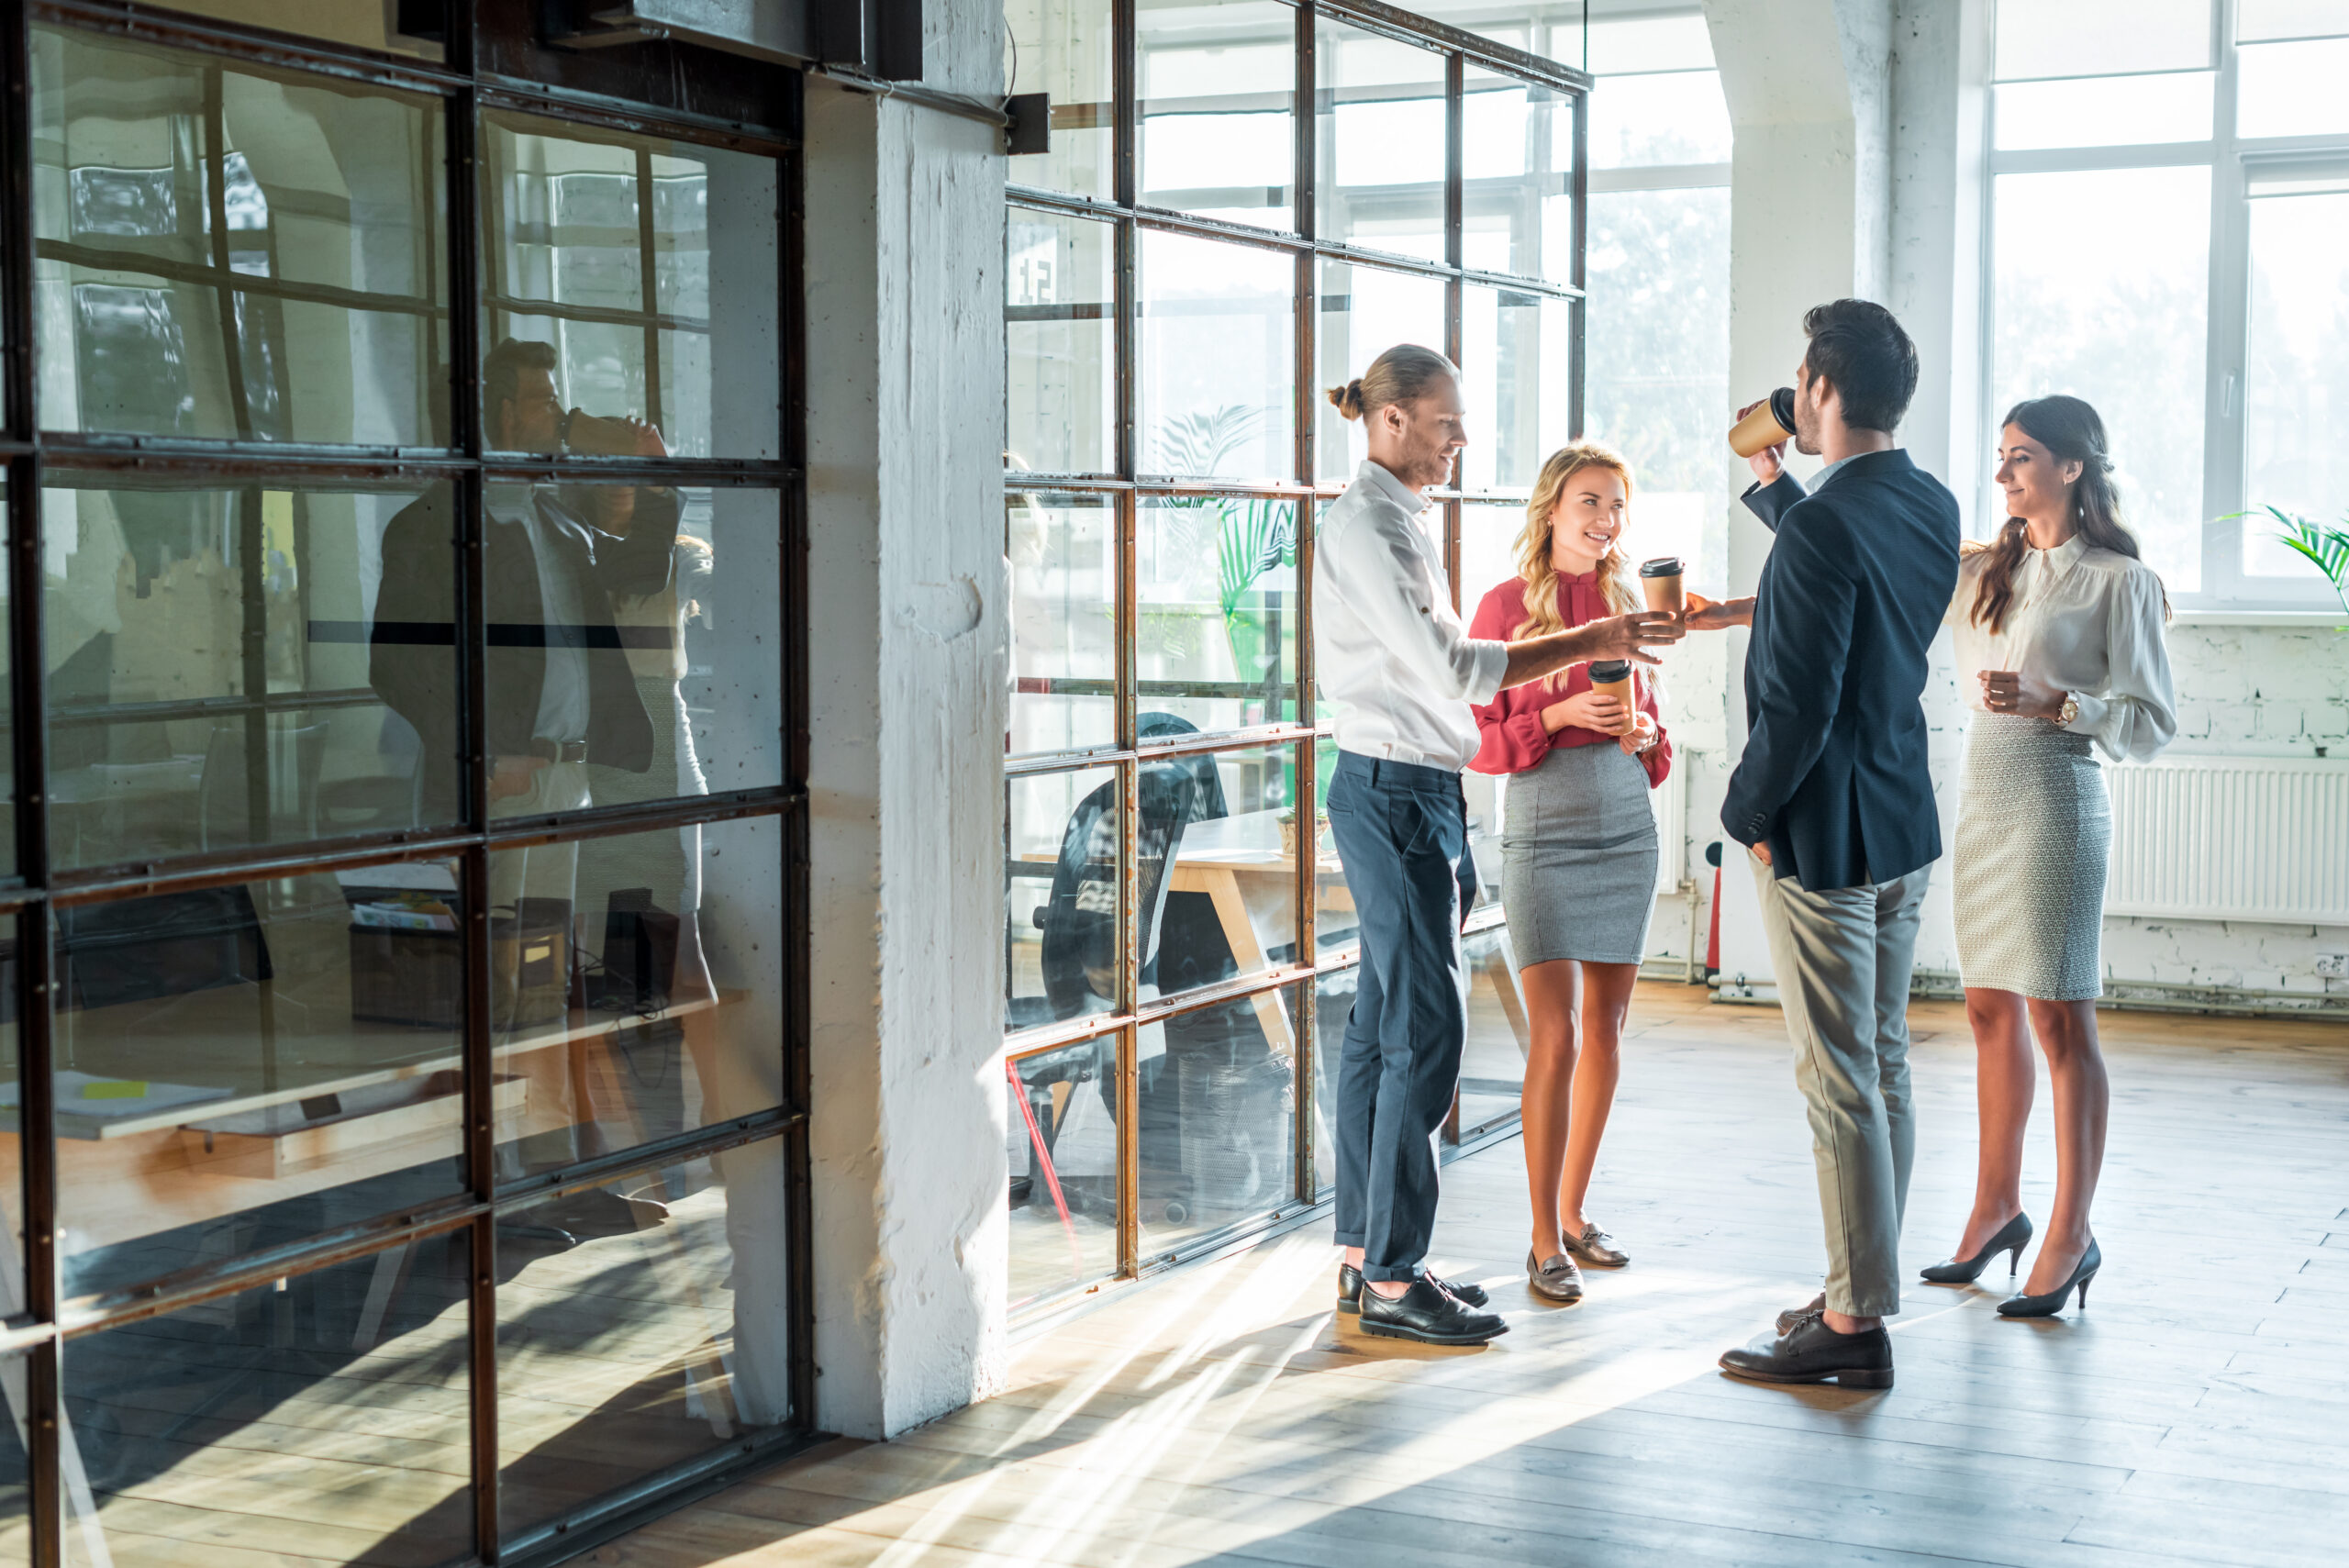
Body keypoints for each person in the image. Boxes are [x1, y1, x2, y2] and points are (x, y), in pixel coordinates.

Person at [1317, 344, 1684, 1345]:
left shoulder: (1399, 520)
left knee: (1383, 1025)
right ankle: (1393, 1274)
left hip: (1420, 792)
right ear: (1391, 421)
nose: (1460, 441)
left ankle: (1368, 1256)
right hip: (1395, 789)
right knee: (1424, 1029)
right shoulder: (1368, 524)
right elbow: (1452, 668)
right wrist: (1582, 652)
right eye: (1445, 423)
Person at [1706, 300, 1960, 1391]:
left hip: (1820, 825)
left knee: (1835, 1077)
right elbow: (1852, 578)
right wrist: (1777, 493)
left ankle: (1853, 1326)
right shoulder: (1929, 501)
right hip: (1899, 811)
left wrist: (1742, 818)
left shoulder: (1825, 525)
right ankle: (1861, 1281)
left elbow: (1798, 706)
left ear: (1816, 389)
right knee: (1883, 1061)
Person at [373, 337, 678, 1184]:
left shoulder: (552, 517)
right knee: (493, 988)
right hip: (499, 785)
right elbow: (396, 662)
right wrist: (481, 752)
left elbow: (645, 564)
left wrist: (656, 472)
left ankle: (543, 1178)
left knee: (545, 986)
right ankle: (486, 1187)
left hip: (562, 782)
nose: (560, 418)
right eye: (545, 403)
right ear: (503, 414)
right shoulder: (434, 525)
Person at [1925, 395, 2175, 1318]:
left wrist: (2056, 703)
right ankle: (1997, 1206)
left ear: (2072, 466)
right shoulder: (1981, 569)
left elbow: (2152, 725)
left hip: (2057, 801)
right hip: (1983, 797)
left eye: (2022, 456)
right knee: (1987, 1008)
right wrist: (1772, 490)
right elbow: (1854, 570)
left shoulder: (2119, 581)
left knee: (2060, 1020)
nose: (2003, 474)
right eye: (2000, 455)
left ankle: (2070, 1231)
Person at [1466, 443, 1684, 1303]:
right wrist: (1554, 712)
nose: (1606, 520)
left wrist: (1644, 737)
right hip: (1543, 828)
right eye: (1590, 501)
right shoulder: (1503, 606)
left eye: (1618, 506)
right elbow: (1476, 739)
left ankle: (1575, 1210)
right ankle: (1539, 1237)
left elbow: (1657, 740)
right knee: (1552, 1035)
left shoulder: (1629, 603)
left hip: (1625, 823)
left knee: (1607, 1031)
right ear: (1552, 506)